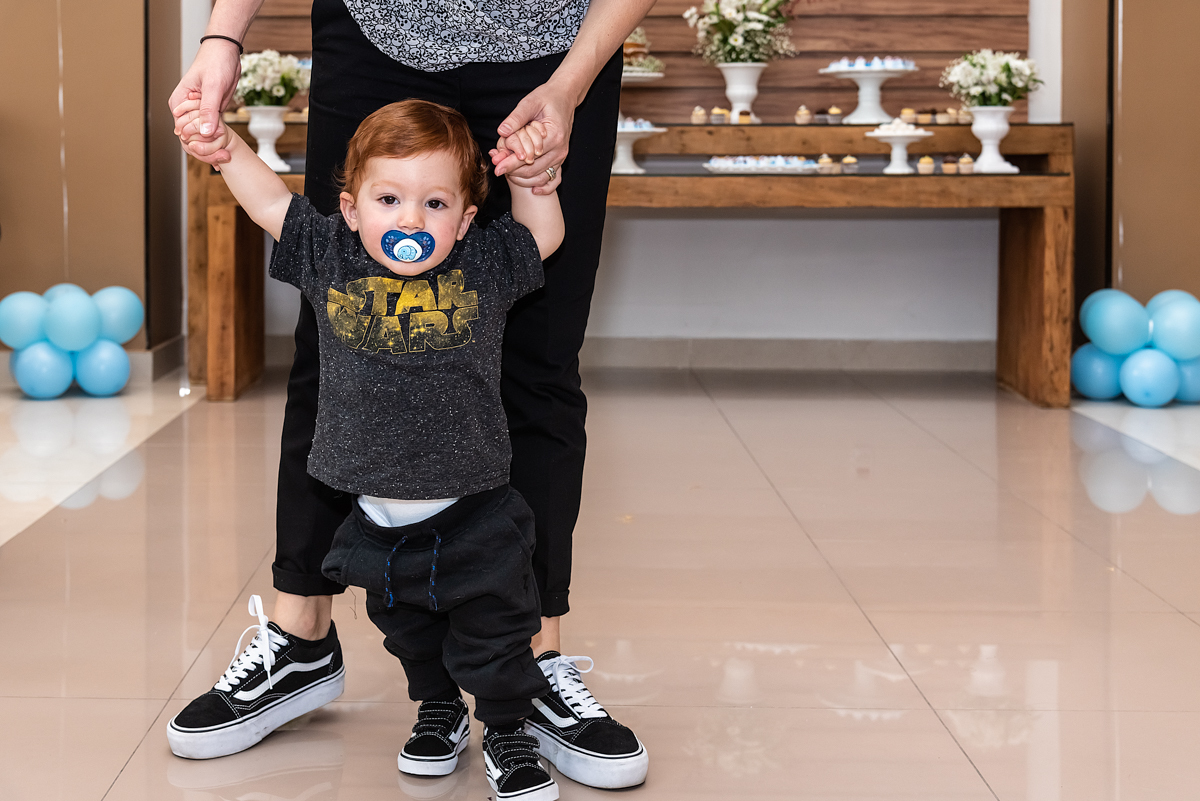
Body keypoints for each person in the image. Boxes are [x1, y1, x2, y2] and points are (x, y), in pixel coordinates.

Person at [167, 0, 657, 790]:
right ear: (358, 209)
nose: (411, 220)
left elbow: (537, 238)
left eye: (434, 208)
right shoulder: (332, 235)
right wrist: (223, 40)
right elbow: (274, 210)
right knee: (330, 340)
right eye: (390, 206)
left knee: (539, 362)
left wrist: (565, 95)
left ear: (462, 221)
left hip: (552, 48)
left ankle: (529, 660)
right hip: (375, 33)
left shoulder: (494, 242)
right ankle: (301, 639)